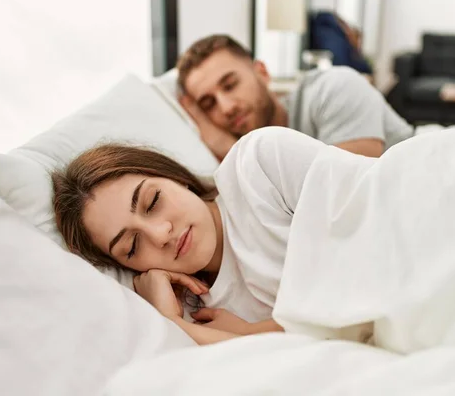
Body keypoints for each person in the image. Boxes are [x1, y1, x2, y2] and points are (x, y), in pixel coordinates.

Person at [51, 127, 375, 346]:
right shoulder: (194, 315)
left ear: (174, 177)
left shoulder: (259, 165)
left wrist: (254, 333)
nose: (161, 234)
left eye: (153, 201)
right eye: (132, 246)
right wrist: (170, 323)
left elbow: (372, 253)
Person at [176, 34, 413, 161]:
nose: (226, 108)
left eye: (230, 85)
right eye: (208, 104)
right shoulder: (241, 155)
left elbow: (346, 193)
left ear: (262, 73)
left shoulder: (334, 88)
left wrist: (230, 148)